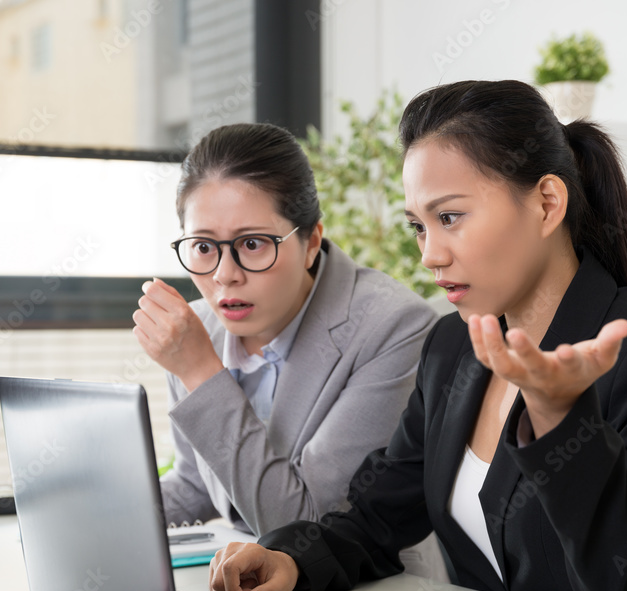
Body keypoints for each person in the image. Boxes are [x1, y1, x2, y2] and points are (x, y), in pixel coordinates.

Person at [207, 81, 627, 591]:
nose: (429, 255)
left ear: (547, 203)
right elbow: (378, 518)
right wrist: (291, 558)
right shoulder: (453, 345)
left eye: (450, 217)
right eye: (419, 226)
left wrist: (560, 420)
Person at [133, 122, 439, 541]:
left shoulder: (392, 327)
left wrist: (202, 373)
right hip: (243, 582)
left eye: (254, 243)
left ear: (312, 241)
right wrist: (100, 512)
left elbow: (308, 525)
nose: (225, 276)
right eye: (203, 247)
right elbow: (197, 487)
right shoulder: (201, 325)